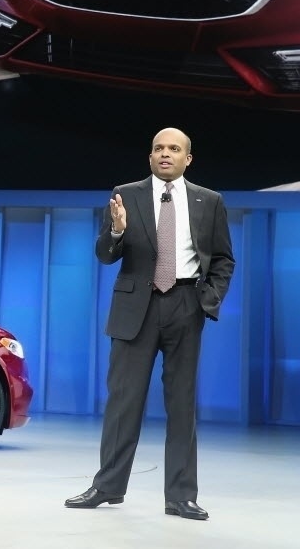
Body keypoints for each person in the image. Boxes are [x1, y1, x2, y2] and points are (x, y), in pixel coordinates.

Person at [65, 127, 235, 521]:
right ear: (150, 156)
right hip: (135, 309)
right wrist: (118, 229)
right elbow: (105, 255)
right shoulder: (126, 193)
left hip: (185, 305)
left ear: (187, 158)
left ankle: (180, 496)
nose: (165, 154)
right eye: (158, 148)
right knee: (123, 402)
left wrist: (206, 300)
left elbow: (224, 259)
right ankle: (107, 487)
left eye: (174, 149)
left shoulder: (209, 201)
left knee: (181, 405)